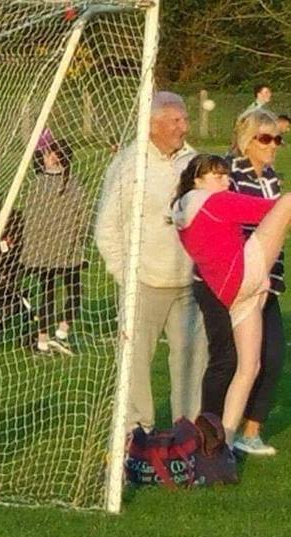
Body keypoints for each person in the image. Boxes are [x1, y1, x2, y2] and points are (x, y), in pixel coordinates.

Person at [171, 154, 291, 444]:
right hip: (242, 275)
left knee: (249, 367)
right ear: (197, 180)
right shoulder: (213, 202)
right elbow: (270, 209)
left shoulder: (182, 211)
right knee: (289, 202)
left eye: (226, 175)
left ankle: (225, 444)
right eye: (217, 176)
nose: (225, 181)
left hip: (231, 293)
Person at [94, 91, 207, 432]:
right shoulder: (129, 165)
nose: (184, 127)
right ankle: (137, 432)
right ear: (153, 124)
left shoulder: (194, 162)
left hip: (188, 282)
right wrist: (127, 276)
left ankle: (188, 431)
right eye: (175, 121)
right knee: (135, 363)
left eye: (185, 119)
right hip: (143, 284)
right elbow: (107, 228)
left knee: (191, 359)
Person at [193, 109, 287, 455]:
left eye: (277, 138)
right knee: (228, 361)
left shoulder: (271, 178)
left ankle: (249, 432)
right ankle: (211, 434)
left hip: (265, 280)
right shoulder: (230, 174)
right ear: (247, 141)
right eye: (266, 138)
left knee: (272, 357)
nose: (273, 144)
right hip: (233, 280)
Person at [21, 139, 88, 354]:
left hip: (44, 250)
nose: (43, 157)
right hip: (66, 249)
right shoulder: (73, 184)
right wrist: (79, 240)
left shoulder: (37, 184)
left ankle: (44, 339)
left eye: (47, 153)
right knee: (73, 290)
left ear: (55, 157)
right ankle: (62, 331)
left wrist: (31, 246)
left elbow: (28, 217)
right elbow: (83, 218)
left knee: (47, 292)